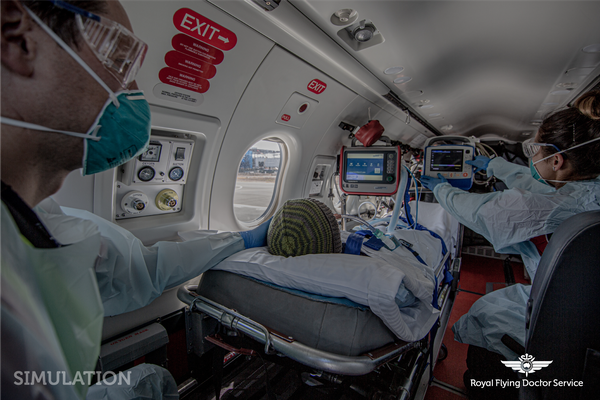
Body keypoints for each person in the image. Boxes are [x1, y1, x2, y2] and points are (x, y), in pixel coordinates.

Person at [0, 0, 269, 399]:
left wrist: (241, 239)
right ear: (18, 38)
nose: (134, 95)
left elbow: (135, 270)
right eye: (120, 58)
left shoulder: (40, 218)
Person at [421, 91, 600, 397]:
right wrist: (494, 166)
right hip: (585, 306)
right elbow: (536, 185)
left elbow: (482, 212)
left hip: (562, 315)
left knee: (485, 315)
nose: (531, 157)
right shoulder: (586, 189)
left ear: (557, 160)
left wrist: (442, 191)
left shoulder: (553, 207)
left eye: (534, 149)